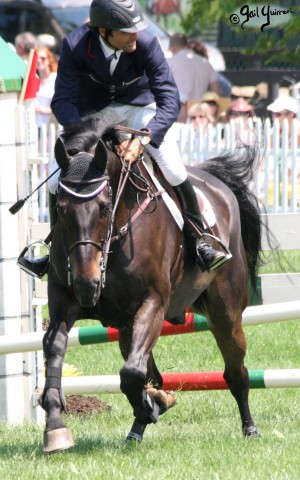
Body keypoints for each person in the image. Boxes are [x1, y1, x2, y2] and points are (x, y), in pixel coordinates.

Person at [18, 0, 231, 278]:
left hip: (139, 111)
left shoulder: (147, 43)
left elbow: (169, 100)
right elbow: (63, 102)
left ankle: (199, 239)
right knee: (56, 175)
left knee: (173, 167)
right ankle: (53, 248)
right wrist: (91, 132)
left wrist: (145, 138)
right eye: (128, 30)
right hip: (92, 115)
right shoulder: (75, 45)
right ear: (104, 31)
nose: (135, 35)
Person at [167, 33, 220, 123]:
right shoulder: (206, 63)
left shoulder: (169, 63)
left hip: (177, 115)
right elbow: (217, 92)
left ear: (172, 47)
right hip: (200, 116)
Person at [35, 46, 58, 127]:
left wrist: (46, 110)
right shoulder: (34, 79)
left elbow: (62, 103)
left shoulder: (55, 78)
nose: (39, 60)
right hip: (36, 126)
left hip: (51, 127)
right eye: (36, 58)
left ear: (49, 60)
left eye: (43, 58)